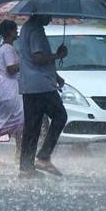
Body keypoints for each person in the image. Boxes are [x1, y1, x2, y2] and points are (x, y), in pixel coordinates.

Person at [17, 14, 68, 178]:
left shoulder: (26, 28)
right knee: (60, 116)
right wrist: (57, 56)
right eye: (48, 14)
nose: (51, 18)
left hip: (29, 85)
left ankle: (26, 167)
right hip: (41, 85)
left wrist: (56, 76)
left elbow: (30, 59)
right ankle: (44, 156)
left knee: (32, 126)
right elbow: (37, 58)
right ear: (39, 13)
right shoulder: (36, 30)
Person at [0, 20, 23, 167]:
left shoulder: (0, 47)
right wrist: (24, 63)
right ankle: (19, 155)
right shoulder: (7, 49)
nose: (17, 32)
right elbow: (11, 69)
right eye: (15, 30)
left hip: (0, 90)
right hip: (7, 90)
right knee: (20, 121)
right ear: (10, 32)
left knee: (0, 122)